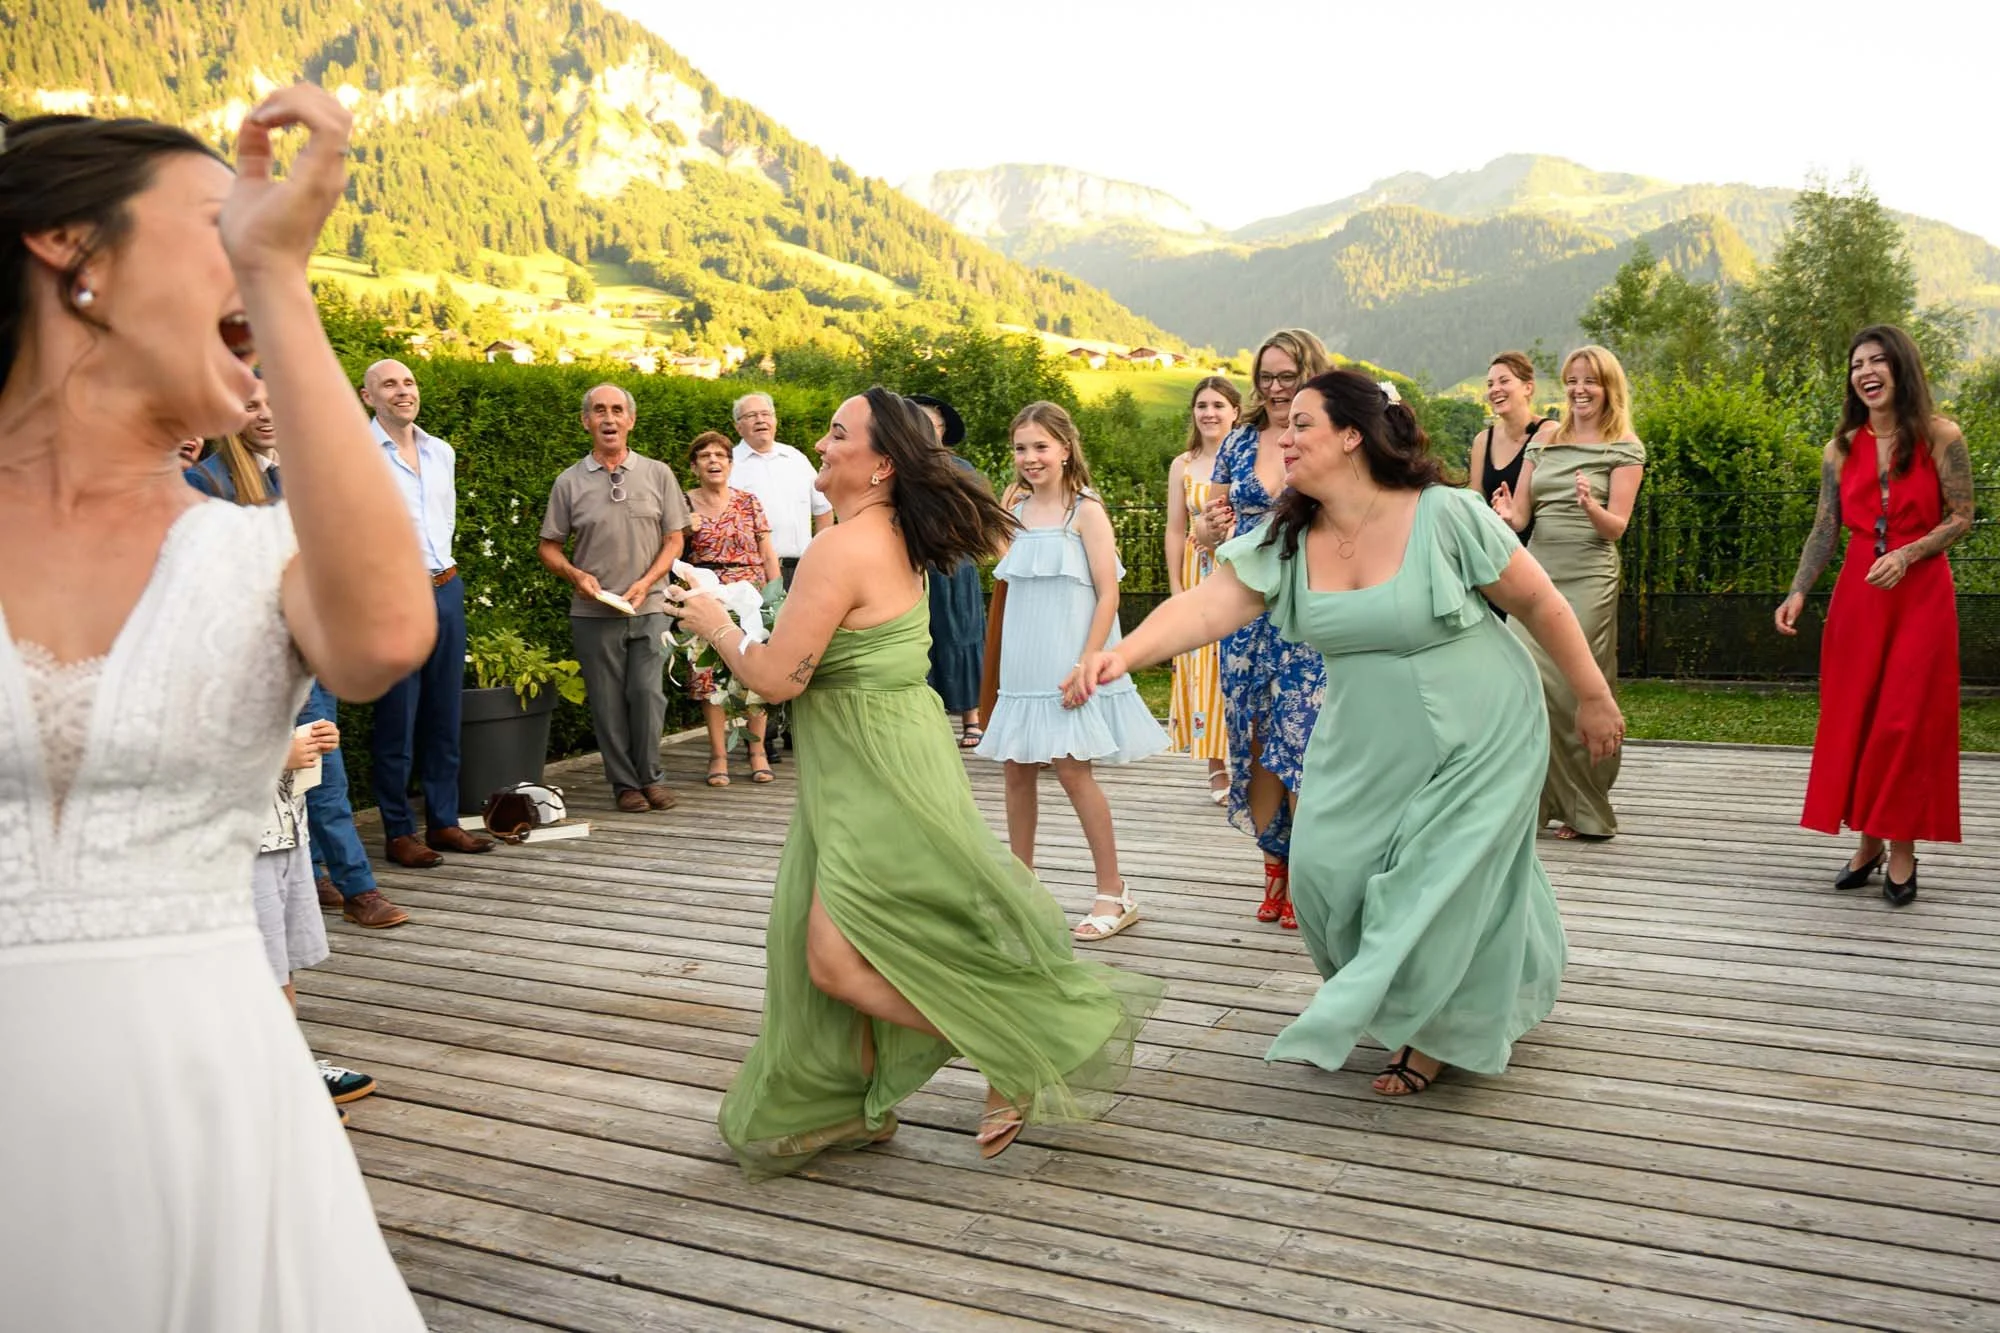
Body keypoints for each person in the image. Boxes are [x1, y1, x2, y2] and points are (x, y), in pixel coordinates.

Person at [0, 90, 430, 1326]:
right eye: (216, 221)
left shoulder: (258, 555)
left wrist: (278, 286)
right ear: (69, 248)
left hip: (208, 1102)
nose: (255, 232)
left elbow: (386, 634)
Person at [1068, 370, 1622, 1097]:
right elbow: (1208, 606)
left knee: (1435, 875)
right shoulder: (1290, 537)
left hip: (1479, 722)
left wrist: (1592, 694)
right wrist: (1122, 653)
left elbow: (1541, 602)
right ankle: (1490, 974)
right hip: (1363, 732)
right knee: (1326, 874)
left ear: (1353, 435)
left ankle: (1428, 1035)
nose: (1284, 437)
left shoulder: (1446, 514)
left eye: (1302, 424)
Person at [671, 387, 1161, 1179]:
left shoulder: (840, 548)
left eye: (837, 435)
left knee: (831, 959)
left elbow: (777, 677)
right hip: (892, 753)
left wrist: (714, 622)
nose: (821, 446)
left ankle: (1003, 1045)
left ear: (882, 464)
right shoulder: (899, 533)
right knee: (846, 948)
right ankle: (852, 1105)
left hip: (872, 772)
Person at [187, 380, 410, 928]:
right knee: (302, 771)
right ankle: (361, 890)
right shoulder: (205, 481)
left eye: (274, 404)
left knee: (319, 768)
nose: (266, 415)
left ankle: (316, 877)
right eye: (251, 406)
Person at [1776, 325, 1974, 906]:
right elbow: (1825, 528)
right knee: (1859, 717)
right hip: (1859, 595)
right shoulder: (1838, 449)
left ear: (1901, 368)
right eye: (1857, 363)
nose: (1866, 371)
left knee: (1904, 721)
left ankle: (1903, 847)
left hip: (1922, 594)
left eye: (1878, 361)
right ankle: (1867, 843)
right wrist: (1797, 591)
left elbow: (1962, 517)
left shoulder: (1942, 436)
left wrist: (1910, 553)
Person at [974, 402, 1168, 941]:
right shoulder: (1013, 508)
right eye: (1020, 448)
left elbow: (1109, 593)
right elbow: (1000, 562)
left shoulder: (1086, 511)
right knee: (1016, 770)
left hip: (1069, 655)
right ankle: (1023, 888)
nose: (1030, 458)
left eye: (1040, 446)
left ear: (1064, 448)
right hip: (1022, 656)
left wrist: (1087, 661)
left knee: (1072, 769)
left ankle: (1114, 890)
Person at [1198, 329, 1332, 927]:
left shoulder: (1328, 437)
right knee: (1253, 740)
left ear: (1311, 374)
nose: (1276, 388)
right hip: (1249, 611)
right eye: (1267, 377)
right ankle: (1272, 866)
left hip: (1308, 608)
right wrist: (1207, 530)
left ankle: (1308, 871)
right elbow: (1213, 528)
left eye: (1288, 376)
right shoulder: (1237, 443)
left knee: (1302, 741)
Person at [1491, 345, 1644, 840]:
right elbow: (1521, 517)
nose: (1580, 389)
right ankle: (1532, 801)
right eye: (1573, 380)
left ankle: (1586, 805)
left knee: (1578, 684)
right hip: (1537, 571)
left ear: (1608, 388)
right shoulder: (1546, 439)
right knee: (1523, 680)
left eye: (1590, 381)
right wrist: (1505, 513)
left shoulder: (1624, 446)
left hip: (1589, 574)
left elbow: (1616, 526)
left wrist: (1589, 506)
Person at [362, 356, 496, 864]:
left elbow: (444, 523)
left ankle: (442, 822)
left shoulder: (442, 452)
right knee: (398, 718)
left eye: (409, 382)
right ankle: (398, 831)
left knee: (445, 713)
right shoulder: (354, 454)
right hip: (393, 596)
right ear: (367, 396)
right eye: (389, 384)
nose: (402, 391)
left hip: (445, 587)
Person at [537, 383, 692, 812]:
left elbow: (675, 540)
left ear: (631, 420)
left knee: (647, 693)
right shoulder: (569, 482)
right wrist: (574, 573)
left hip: (651, 605)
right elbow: (548, 546)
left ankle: (652, 777)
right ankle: (625, 785)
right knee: (606, 702)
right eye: (599, 411)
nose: (609, 418)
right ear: (586, 422)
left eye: (617, 410)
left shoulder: (658, 473)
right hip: (593, 611)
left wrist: (647, 582)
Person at [682, 428, 780, 786]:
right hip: (708, 596)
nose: (713, 461)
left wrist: (776, 599)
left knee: (753, 673)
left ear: (730, 463)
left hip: (751, 596)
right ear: (694, 467)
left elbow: (768, 554)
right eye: (705, 456)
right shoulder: (683, 504)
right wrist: (684, 531)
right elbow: (671, 557)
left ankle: (758, 753)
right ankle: (718, 757)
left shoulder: (749, 502)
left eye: (720, 456)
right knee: (710, 680)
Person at [1165, 374, 1240, 801]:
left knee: (1236, 660)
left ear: (1235, 411)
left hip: (1240, 570)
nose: (1209, 413)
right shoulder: (1183, 464)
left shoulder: (1248, 457)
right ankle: (1215, 763)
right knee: (1203, 664)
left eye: (1218, 405)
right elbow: (1175, 529)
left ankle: (1247, 758)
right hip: (1198, 573)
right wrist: (1177, 585)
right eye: (1202, 405)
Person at [909, 392, 988, 747]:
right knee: (922, 639)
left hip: (955, 567)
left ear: (942, 430)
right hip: (913, 566)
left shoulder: (963, 470)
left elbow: (979, 520)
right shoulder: (900, 469)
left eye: (931, 424)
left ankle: (972, 716)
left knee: (962, 634)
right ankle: (928, 718)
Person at [729, 391, 831, 589]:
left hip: (803, 570)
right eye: (751, 416)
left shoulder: (795, 458)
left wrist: (820, 558)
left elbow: (823, 510)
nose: (760, 420)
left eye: (766, 414)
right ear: (738, 427)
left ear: (775, 420)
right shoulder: (730, 464)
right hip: (753, 574)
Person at [1467, 351, 1553, 560]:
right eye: (1490, 385)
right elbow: (1475, 503)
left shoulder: (1550, 433)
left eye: (1504, 381)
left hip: (1541, 554)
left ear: (1528, 387)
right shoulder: (1482, 441)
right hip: (1495, 554)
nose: (1495, 389)